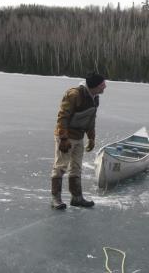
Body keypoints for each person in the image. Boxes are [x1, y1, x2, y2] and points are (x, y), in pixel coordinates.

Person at [50, 72, 106, 209]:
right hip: (66, 137)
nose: (105, 87)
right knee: (61, 167)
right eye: (102, 85)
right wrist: (63, 138)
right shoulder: (74, 95)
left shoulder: (95, 97)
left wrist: (91, 137)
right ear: (95, 85)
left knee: (76, 168)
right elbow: (62, 117)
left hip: (79, 136)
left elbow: (91, 119)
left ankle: (77, 198)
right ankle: (55, 199)